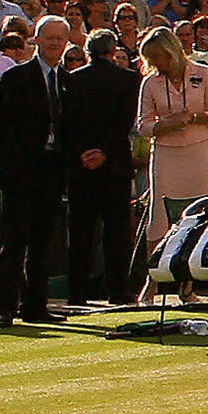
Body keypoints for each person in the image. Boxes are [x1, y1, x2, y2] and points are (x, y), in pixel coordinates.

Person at [0, 14, 76, 325]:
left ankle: (36, 306)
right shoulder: (16, 78)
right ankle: (4, 307)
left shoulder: (67, 81)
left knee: (42, 242)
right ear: (36, 40)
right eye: (49, 38)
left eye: (60, 39)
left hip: (51, 170)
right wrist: (6, 165)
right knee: (13, 241)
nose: (54, 44)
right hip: (20, 172)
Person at [61, 29, 141, 305]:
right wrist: (104, 151)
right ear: (111, 51)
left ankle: (77, 292)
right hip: (115, 164)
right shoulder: (129, 79)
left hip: (82, 165)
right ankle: (118, 289)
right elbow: (126, 121)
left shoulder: (73, 79)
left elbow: (68, 124)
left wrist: (85, 153)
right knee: (116, 232)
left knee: (81, 231)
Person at [136, 26, 208, 248]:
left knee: (198, 211)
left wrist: (194, 118)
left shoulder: (202, 74)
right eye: (150, 57)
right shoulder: (150, 82)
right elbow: (143, 126)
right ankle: (155, 274)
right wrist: (166, 125)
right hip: (166, 155)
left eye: (157, 56)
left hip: (197, 153)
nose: (154, 62)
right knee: (159, 216)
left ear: (170, 51)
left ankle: (192, 276)